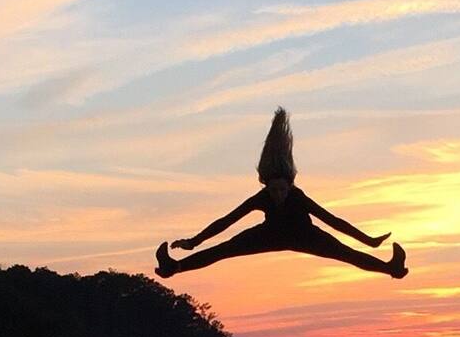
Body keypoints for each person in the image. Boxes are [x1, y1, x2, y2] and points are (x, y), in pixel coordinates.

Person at [156, 108, 407, 279]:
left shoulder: (298, 197)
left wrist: (368, 241)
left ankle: (392, 268)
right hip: (269, 236)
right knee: (224, 250)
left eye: (281, 190)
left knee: (347, 255)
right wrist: (193, 242)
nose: (277, 194)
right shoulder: (262, 198)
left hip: (307, 236)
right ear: (266, 186)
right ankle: (173, 267)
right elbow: (227, 221)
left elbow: (333, 221)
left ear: (289, 186)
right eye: (273, 190)